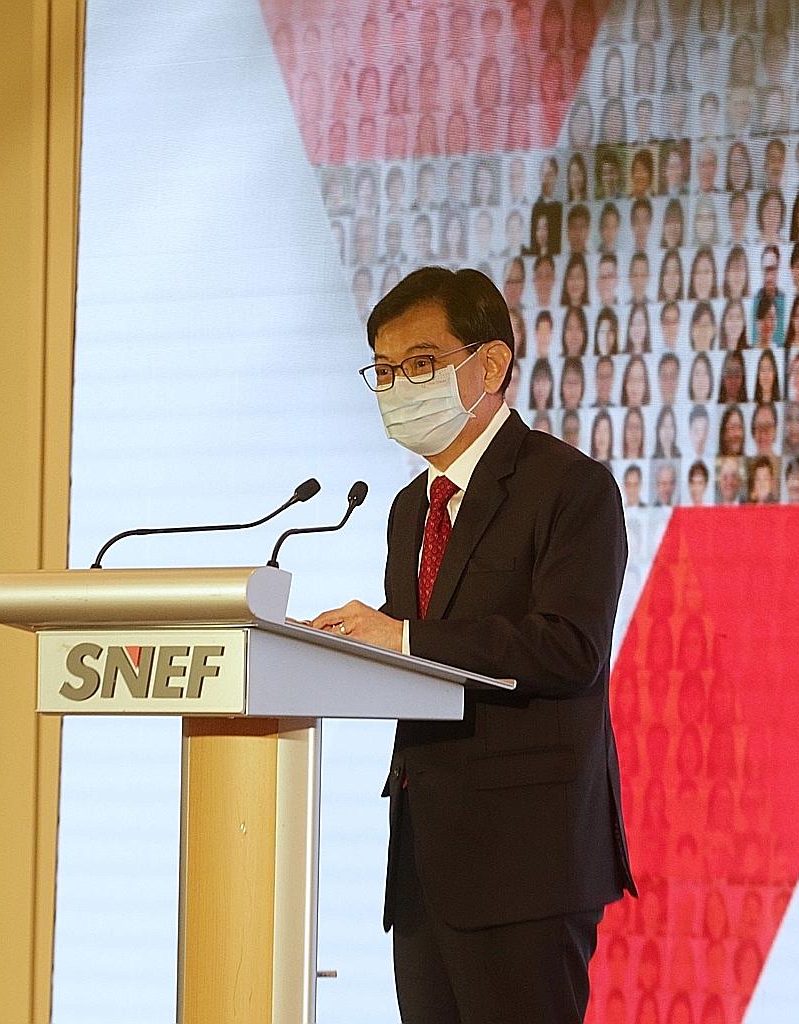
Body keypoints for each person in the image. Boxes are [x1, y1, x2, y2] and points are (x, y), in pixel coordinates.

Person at [309, 268, 634, 1024]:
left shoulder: (570, 486)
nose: (399, 386)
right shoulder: (409, 508)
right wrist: (339, 649)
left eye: (421, 363)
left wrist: (404, 637)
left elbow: (570, 648)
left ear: (490, 365)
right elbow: (413, 650)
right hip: (425, 861)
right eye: (385, 371)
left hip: (526, 862)